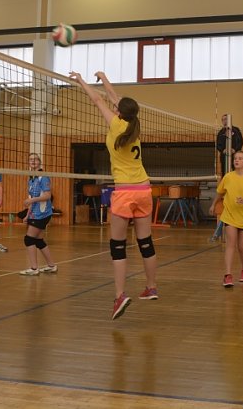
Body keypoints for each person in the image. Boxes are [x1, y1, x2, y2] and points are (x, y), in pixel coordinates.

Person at [69, 70, 158, 320]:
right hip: (144, 189)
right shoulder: (133, 125)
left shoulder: (116, 124)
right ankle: (151, 287)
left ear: (119, 112)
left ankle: (120, 295)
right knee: (145, 243)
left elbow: (99, 100)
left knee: (117, 246)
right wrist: (104, 78)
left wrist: (81, 80)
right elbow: (112, 96)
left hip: (125, 192)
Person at [210, 151, 243, 287]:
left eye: (240, 158)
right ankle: (228, 275)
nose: (236, 160)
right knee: (230, 245)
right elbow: (220, 192)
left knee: (242, 247)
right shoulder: (228, 177)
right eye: (235, 158)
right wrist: (213, 204)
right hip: (229, 215)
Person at [19, 153, 57, 276]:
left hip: (43, 213)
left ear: (39, 162)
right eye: (30, 159)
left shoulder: (43, 176)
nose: (33, 161)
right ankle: (52, 266)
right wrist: (27, 215)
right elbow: (31, 199)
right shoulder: (31, 179)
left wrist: (32, 200)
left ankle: (34, 268)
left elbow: (47, 196)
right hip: (35, 213)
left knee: (29, 239)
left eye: (35, 159)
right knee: (39, 241)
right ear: (28, 163)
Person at [211, 114, 243, 242]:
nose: (225, 121)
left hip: (234, 155)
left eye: (226, 120)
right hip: (225, 157)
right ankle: (220, 233)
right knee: (226, 174)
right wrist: (223, 149)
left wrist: (235, 149)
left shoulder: (236, 130)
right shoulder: (220, 132)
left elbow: (240, 141)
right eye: (223, 120)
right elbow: (218, 145)